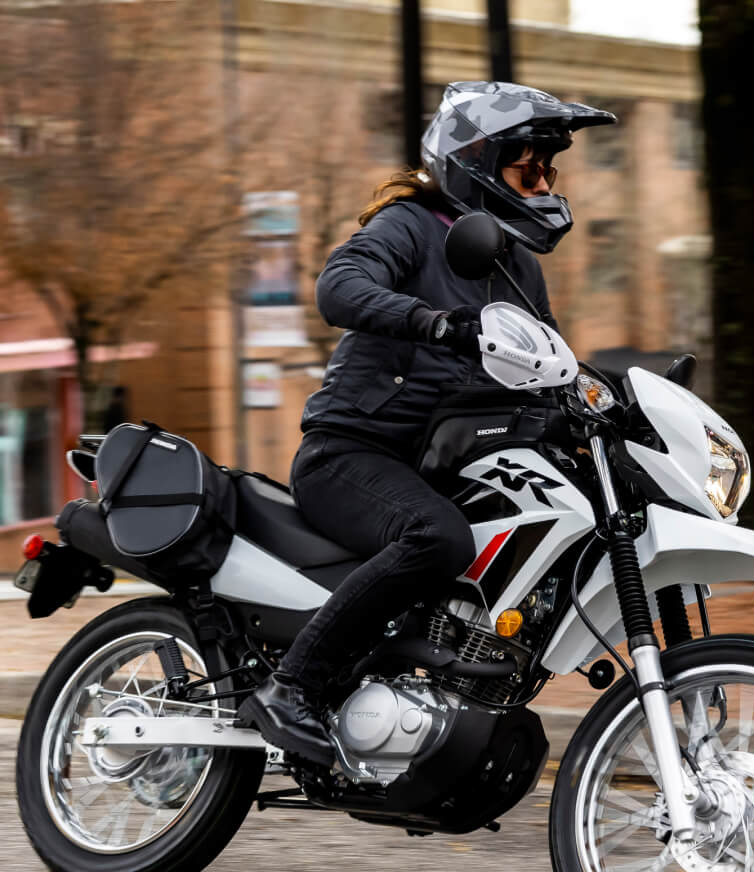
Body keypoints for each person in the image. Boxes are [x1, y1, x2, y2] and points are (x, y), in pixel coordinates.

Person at [237, 82, 615, 766]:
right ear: (477, 163)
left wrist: (609, 406)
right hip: (352, 455)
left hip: (441, 468)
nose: (542, 185)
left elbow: (551, 369)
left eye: (547, 172)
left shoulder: (516, 266)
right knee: (438, 538)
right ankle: (290, 688)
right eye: (527, 169)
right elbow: (338, 287)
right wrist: (435, 322)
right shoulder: (412, 224)